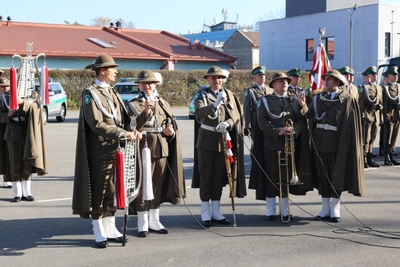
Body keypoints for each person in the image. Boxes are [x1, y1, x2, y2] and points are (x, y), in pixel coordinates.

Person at [72, 54, 142, 248]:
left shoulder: (112, 91)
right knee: (99, 191)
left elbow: (124, 119)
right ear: (102, 71)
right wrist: (122, 133)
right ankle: (98, 231)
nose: (116, 71)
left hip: (115, 149)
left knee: (112, 190)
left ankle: (110, 228)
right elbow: (96, 123)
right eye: (113, 68)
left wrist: (132, 130)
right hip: (99, 151)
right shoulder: (90, 93)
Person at [299, 69, 365, 223]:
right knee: (323, 176)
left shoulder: (347, 100)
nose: (325, 81)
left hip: (337, 144)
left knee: (336, 176)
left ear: (338, 82)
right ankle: (325, 208)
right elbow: (311, 116)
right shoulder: (318, 98)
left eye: (329, 79)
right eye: (325, 79)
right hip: (320, 142)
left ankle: (335, 208)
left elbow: (351, 125)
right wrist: (303, 105)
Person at [127, 70, 185, 238]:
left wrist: (170, 131)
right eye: (144, 83)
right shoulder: (132, 104)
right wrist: (145, 112)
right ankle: (142, 221)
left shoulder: (163, 103)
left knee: (158, 185)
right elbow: (131, 127)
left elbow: (170, 124)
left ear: (156, 85)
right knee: (143, 185)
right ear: (138, 85)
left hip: (161, 148)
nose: (147, 86)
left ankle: (155, 219)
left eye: (150, 83)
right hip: (142, 149)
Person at [192, 66, 246, 227]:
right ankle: (205, 212)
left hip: (223, 141)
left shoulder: (229, 94)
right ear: (207, 80)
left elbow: (236, 115)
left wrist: (228, 124)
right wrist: (214, 104)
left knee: (218, 178)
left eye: (219, 78)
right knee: (206, 177)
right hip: (207, 142)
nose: (217, 81)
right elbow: (199, 112)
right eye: (213, 78)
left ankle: (216, 211)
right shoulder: (202, 95)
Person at [255, 72, 313, 221]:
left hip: (290, 145)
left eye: (286, 81)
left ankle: (285, 210)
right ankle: (270, 210)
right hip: (272, 144)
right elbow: (262, 120)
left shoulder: (294, 100)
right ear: (273, 85)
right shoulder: (265, 101)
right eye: (280, 81)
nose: (284, 83)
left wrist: (295, 130)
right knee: (271, 177)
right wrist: (277, 131)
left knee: (286, 177)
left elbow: (302, 120)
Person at [0, 77, 47, 202]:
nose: (6, 87)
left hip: (28, 132)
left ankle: (27, 192)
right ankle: (17, 193)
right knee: (15, 163)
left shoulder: (32, 94)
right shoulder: (4, 97)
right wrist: (7, 115)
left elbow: (37, 106)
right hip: (12, 133)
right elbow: (0, 115)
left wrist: (22, 102)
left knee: (27, 162)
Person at [358, 66, 382, 168]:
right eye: (373, 75)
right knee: (366, 139)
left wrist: (380, 106)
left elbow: (381, 102)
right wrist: (362, 116)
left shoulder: (379, 87)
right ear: (368, 77)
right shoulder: (364, 88)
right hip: (368, 116)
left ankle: (369, 157)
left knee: (372, 138)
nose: (375, 76)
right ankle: (364, 159)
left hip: (376, 117)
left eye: (376, 74)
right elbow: (360, 104)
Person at [381, 66, 400, 166]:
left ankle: (392, 156)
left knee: (394, 137)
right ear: (389, 76)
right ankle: (386, 157)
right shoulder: (386, 88)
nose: (396, 76)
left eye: (396, 75)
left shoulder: (399, 86)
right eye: (394, 75)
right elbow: (383, 104)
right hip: (390, 116)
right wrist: (386, 117)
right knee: (387, 138)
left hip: (398, 115)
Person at [0, 75, 12, 189]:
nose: (5, 89)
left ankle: (6, 179)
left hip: (6, 130)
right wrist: (6, 116)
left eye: (7, 87)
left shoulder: (8, 97)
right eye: (2, 87)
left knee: (7, 155)